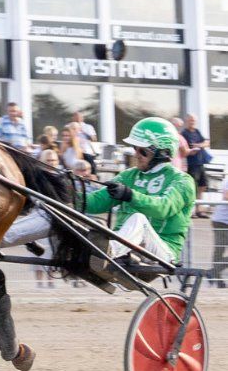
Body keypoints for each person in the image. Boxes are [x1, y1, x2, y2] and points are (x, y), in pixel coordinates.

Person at [82, 117, 195, 266]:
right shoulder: (128, 176)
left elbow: (162, 208)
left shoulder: (182, 181)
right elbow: (95, 202)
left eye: (142, 151)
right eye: (135, 149)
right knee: (56, 210)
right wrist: (63, 192)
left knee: (139, 219)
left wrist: (130, 195)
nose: (136, 155)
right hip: (127, 247)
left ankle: (108, 254)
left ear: (162, 152)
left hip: (162, 252)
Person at [180, 114, 212, 216]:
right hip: (191, 164)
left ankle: (199, 209)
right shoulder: (184, 134)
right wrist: (191, 150)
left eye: (193, 120)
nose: (192, 122)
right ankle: (191, 210)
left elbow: (207, 143)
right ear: (186, 121)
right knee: (193, 187)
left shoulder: (197, 131)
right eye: (190, 120)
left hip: (200, 163)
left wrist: (199, 145)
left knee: (203, 185)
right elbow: (183, 150)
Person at [210, 178, 228, 288]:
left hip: (222, 220)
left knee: (218, 251)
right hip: (221, 221)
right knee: (219, 250)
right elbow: (226, 196)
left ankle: (214, 274)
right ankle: (216, 276)